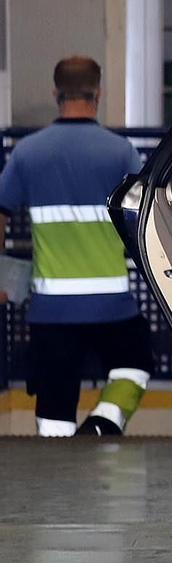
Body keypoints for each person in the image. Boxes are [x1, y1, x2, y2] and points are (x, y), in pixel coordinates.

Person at [0, 57, 152, 437]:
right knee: (135, 365)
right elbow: (144, 220)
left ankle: (60, 466)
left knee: (53, 413)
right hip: (111, 305)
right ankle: (101, 426)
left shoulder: (27, 153)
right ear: (97, 93)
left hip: (51, 310)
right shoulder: (120, 152)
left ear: (55, 94)